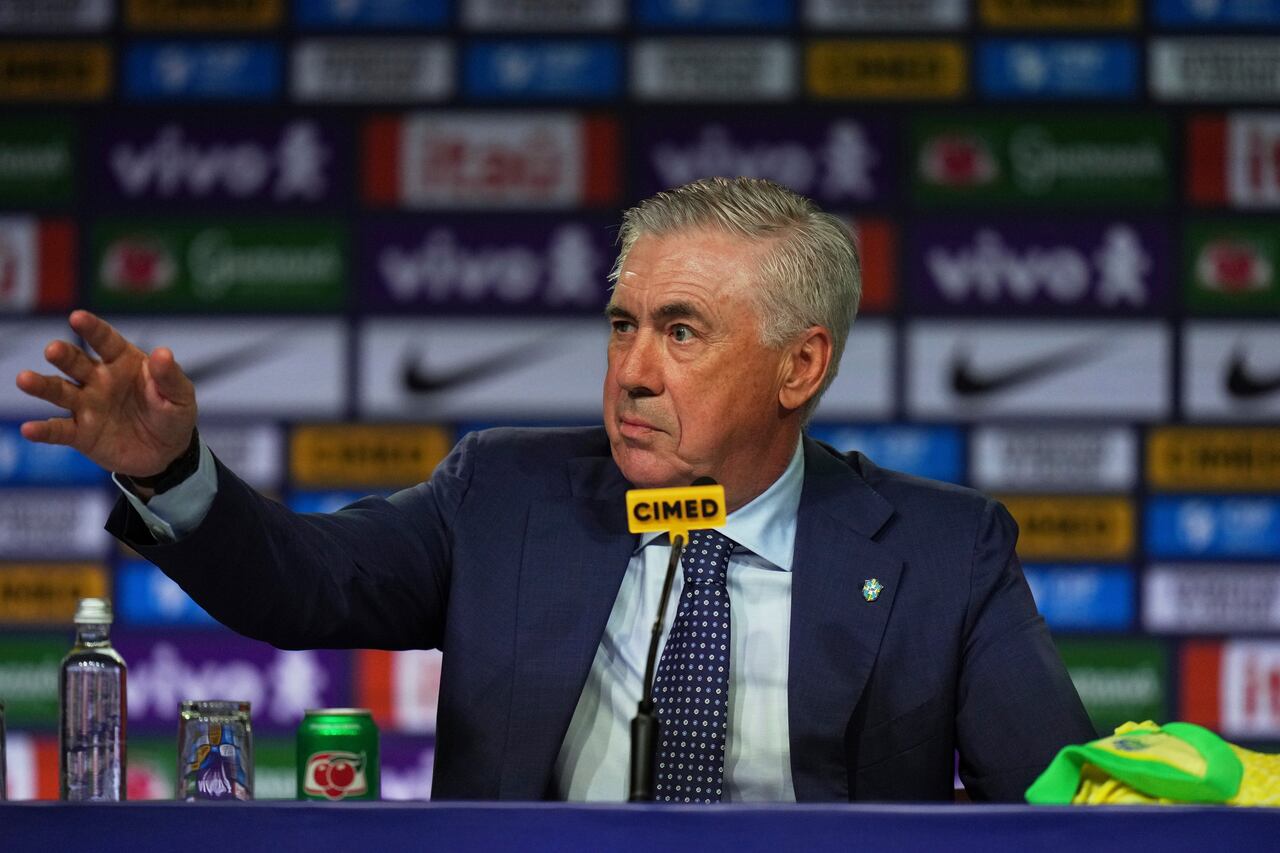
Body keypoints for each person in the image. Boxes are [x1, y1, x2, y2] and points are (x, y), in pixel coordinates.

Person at [15, 177, 1095, 803]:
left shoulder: (943, 555)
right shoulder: (507, 496)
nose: (632, 369)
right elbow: (307, 583)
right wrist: (166, 466)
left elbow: (1056, 808)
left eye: (681, 332)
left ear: (798, 367)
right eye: (623, 325)